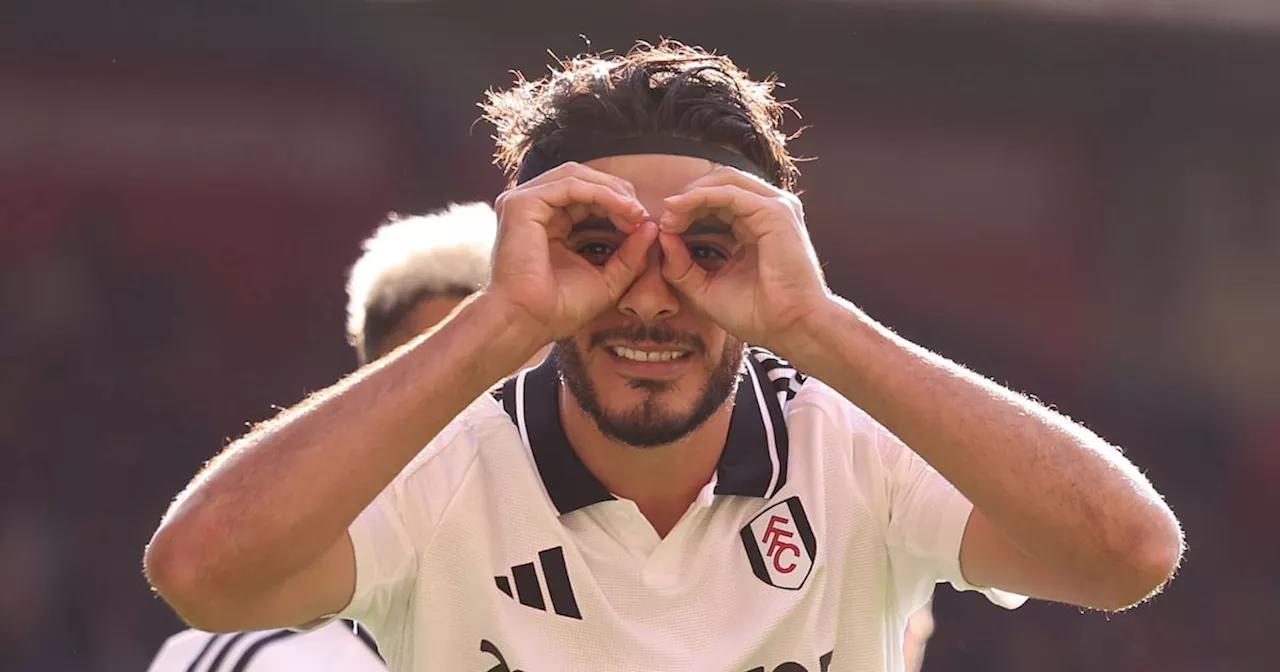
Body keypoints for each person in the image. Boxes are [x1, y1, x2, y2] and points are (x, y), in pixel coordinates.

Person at [143, 41, 1183, 671]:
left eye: (706, 250)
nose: (648, 296)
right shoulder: (442, 468)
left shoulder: (854, 449)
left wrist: (813, 322)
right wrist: (504, 318)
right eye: (593, 245)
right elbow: (201, 578)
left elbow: (1126, 555)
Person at [145, 202, 518, 671]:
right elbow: (186, 563)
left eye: (500, 383)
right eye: (434, 384)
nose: (466, 413)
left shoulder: (603, 602)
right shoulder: (266, 660)